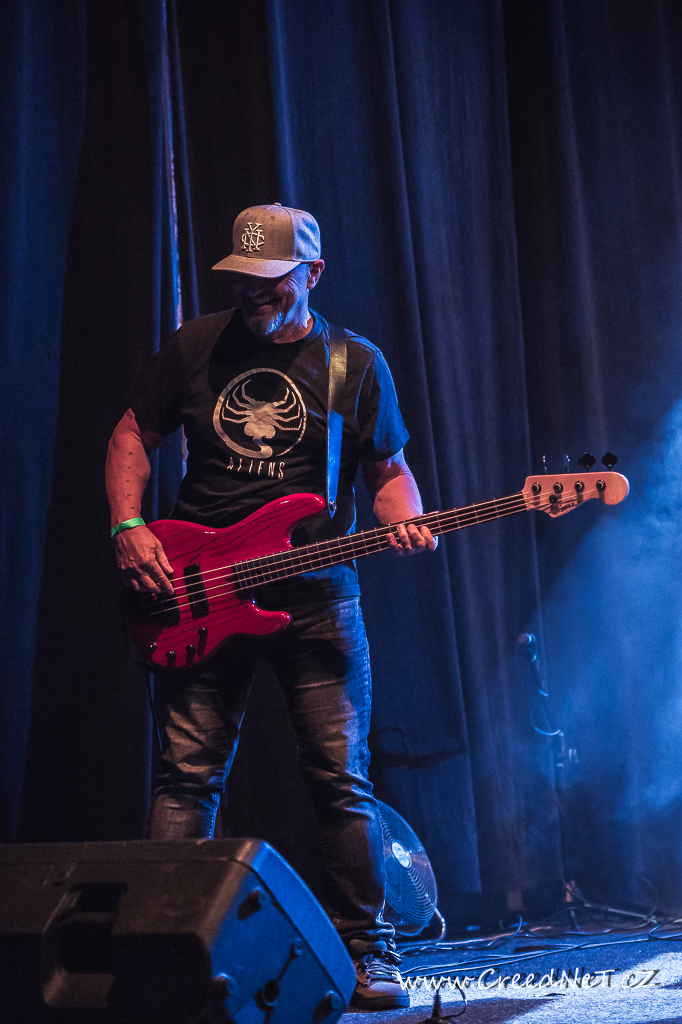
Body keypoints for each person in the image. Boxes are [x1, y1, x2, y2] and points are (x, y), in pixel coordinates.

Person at [105, 203, 436, 1011]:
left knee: (341, 781)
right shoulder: (195, 346)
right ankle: (163, 954)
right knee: (186, 778)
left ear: (312, 273)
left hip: (317, 598)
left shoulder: (354, 363)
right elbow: (130, 437)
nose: (254, 293)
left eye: (272, 279)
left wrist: (405, 521)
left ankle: (369, 953)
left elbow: (388, 472)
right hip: (199, 592)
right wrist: (128, 527)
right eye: (243, 279)